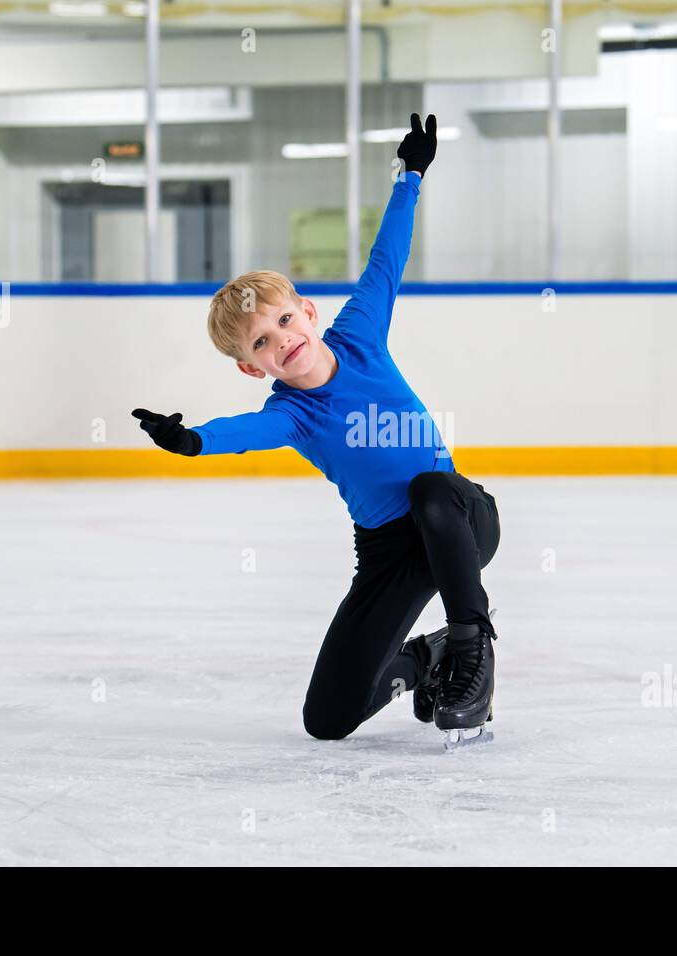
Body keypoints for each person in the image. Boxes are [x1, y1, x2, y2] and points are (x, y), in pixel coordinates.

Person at [132, 114, 500, 748]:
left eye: (283, 320)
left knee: (433, 490)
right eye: (263, 343)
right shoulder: (292, 415)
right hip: (389, 555)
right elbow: (240, 432)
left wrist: (410, 175)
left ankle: (472, 649)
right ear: (253, 365)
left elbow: (388, 255)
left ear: (307, 310)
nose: (283, 341)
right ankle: (428, 659)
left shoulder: (359, 334)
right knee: (328, 720)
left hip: (461, 522)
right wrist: (191, 440)